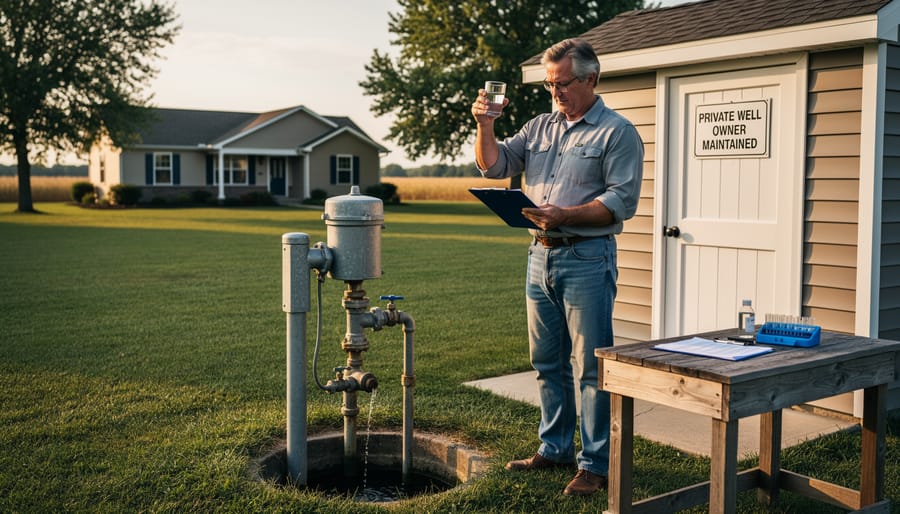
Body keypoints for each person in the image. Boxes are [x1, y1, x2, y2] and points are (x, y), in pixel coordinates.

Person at [470, 38, 643, 496]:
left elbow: (620, 202)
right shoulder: (540, 126)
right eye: (550, 85)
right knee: (547, 362)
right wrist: (485, 125)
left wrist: (566, 215)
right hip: (538, 255)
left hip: (587, 257)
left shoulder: (617, 132)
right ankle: (554, 447)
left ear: (591, 79)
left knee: (590, 366)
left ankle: (596, 464)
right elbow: (494, 165)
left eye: (563, 84)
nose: (556, 93)